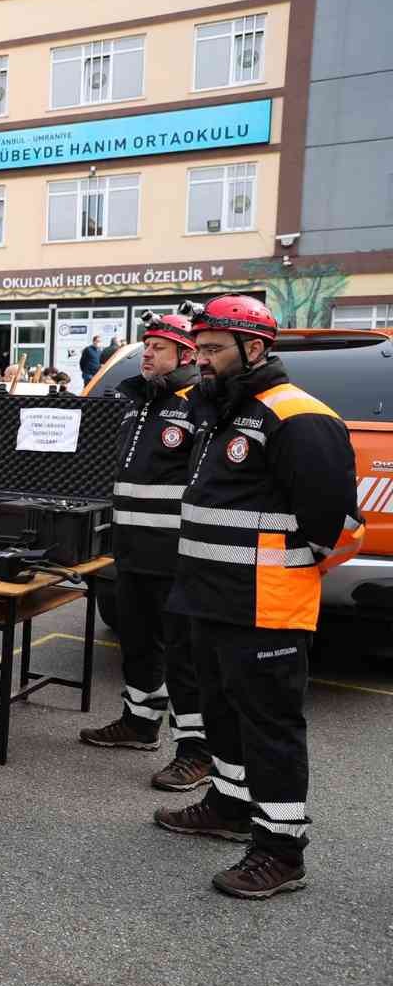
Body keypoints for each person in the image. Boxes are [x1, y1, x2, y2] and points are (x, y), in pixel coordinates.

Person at [153, 296, 363, 900]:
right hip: (208, 601)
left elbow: (337, 530)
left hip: (266, 607)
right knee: (222, 714)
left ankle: (280, 850)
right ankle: (230, 803)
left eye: (215, 349)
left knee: (270, 727)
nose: (203, 361)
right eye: (199, 349)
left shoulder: (298, 417)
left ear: (256, 350)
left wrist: (284, 576)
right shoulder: (224, 410)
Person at [79, 313, 211, 790]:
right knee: (137, 641)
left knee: (185, 656)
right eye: (146, 345)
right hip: (131, 551)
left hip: (178, 555)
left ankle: (196, 751)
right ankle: (139, 722)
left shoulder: (201, 404)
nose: (147, 353)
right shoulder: (138, 403)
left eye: (159, 346)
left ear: (186, 355)